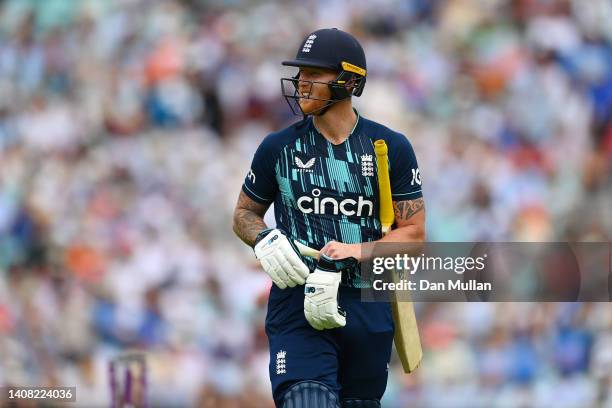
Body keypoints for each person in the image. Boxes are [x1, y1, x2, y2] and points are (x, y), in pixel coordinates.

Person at [233, 28, 426, 408]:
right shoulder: (278, 147)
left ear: (350, 81)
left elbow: (415, 236)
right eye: (300, 75)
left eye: (314, 75)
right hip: (297, 301)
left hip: (366, 304)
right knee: (307, 400)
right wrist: (263, 237)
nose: (302, 84)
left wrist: (355, 250)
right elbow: (244, 213)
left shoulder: (390, 148)